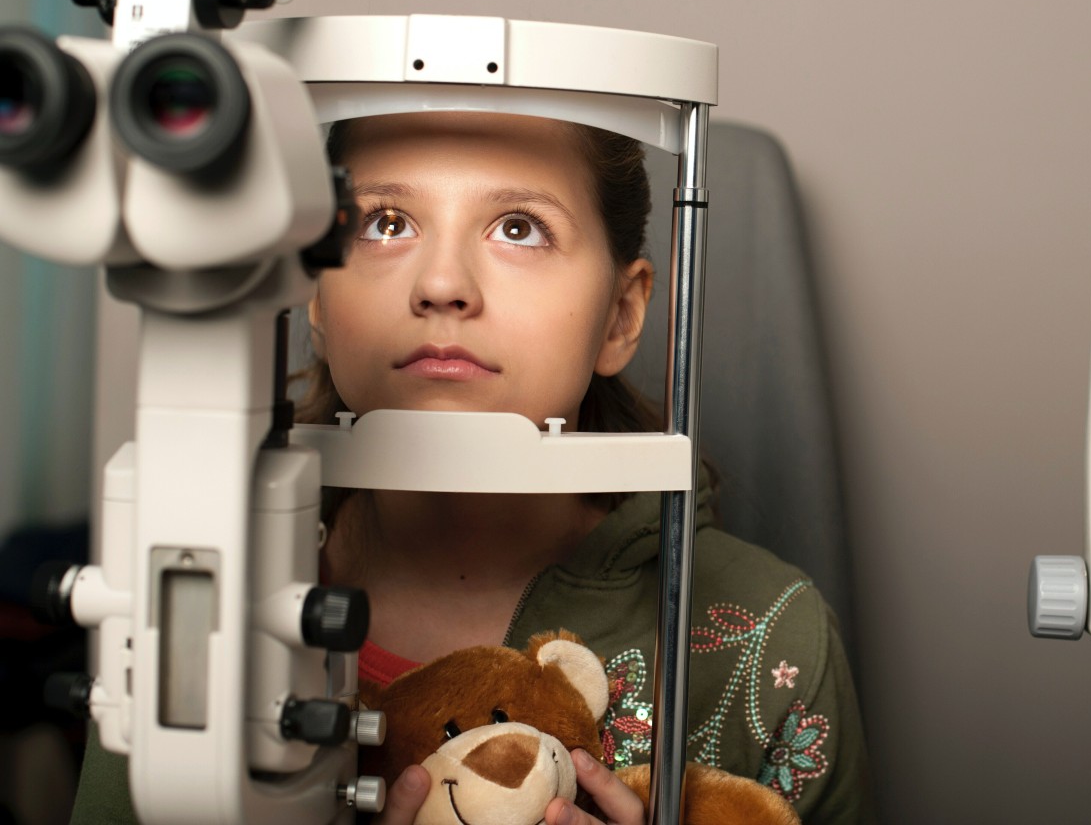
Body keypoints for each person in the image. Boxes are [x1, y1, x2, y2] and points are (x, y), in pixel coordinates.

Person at [69, 110, 871, 825]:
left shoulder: (771, 639)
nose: (442, 285)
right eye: (385, 222)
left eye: (519, 228)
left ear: (621, 314)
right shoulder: (193, 590)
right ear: (312, 291)